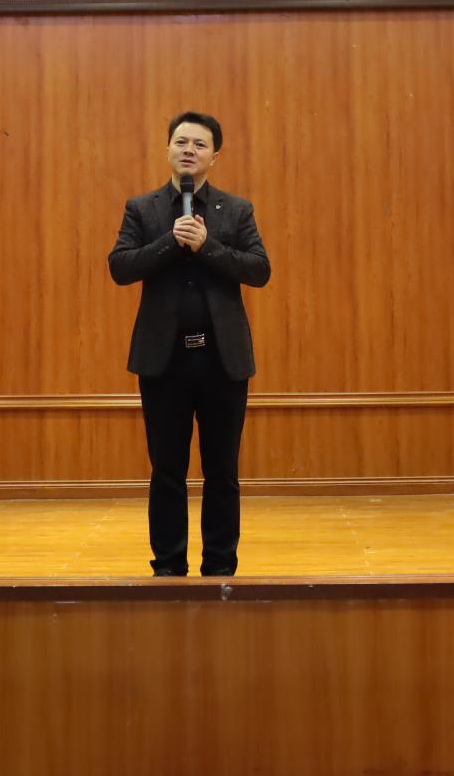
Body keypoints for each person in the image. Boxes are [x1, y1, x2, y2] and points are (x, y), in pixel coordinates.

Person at [108, 111, 271, 576]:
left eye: (200, 144)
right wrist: (170, 241)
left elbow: (259, 270)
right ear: (168, 149)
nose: (189, 150)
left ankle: (219, 568)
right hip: (164, 362)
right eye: (181, 142)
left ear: (214, 156)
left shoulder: (236, 210)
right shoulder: (142, 209)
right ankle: (168, 568)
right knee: (167, 470)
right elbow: (120, 267)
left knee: (222, 471)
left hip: (222, 361)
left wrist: (207, 246)